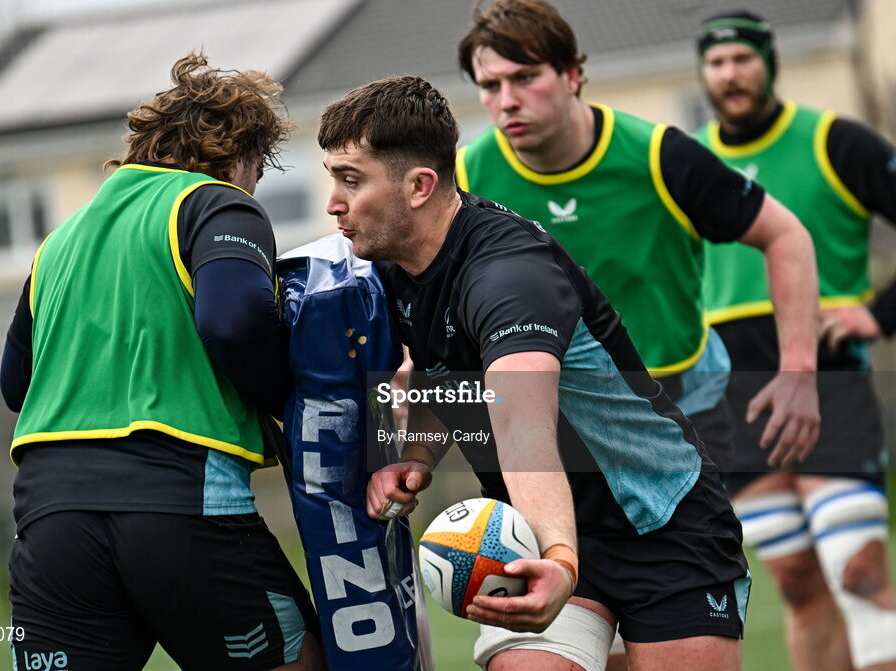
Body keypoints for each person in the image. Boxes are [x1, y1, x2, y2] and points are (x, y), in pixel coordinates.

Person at [320, 74, 751, 671]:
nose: (333, 203)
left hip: (660, 520)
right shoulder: (393, 264)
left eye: (350, 180)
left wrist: (562, 561)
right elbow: (441, 371)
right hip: (529, 530)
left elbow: (522, 423)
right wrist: (414, 455)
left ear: (419, 186)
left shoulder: (508, 275)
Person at [0, 52, 323, 671]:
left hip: (50, 519)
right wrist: (286, 403)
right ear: (242, 158)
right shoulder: (218, 202)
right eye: (258, 171)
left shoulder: (60, 239)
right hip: (179, 501)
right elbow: (232, 321)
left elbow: (16, 385)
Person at [455, 0, 821, 491]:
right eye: (490, 86)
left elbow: (786, 235)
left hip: (677, 401)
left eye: (525, 78)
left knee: (693, 566)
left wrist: (798, 371)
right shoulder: (466, 180)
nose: (507, 100)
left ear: (572, 74)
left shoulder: (660, 157)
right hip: (555, 409)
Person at [696, 10, 896, 671]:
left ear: (770, 64)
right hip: (732, 394)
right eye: (715, 63)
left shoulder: (837, 141)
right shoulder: (688, 159)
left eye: (742, 58)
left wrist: (882, 314)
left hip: (828, 380)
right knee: (797, 581)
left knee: (857, 568)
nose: (729, 74)